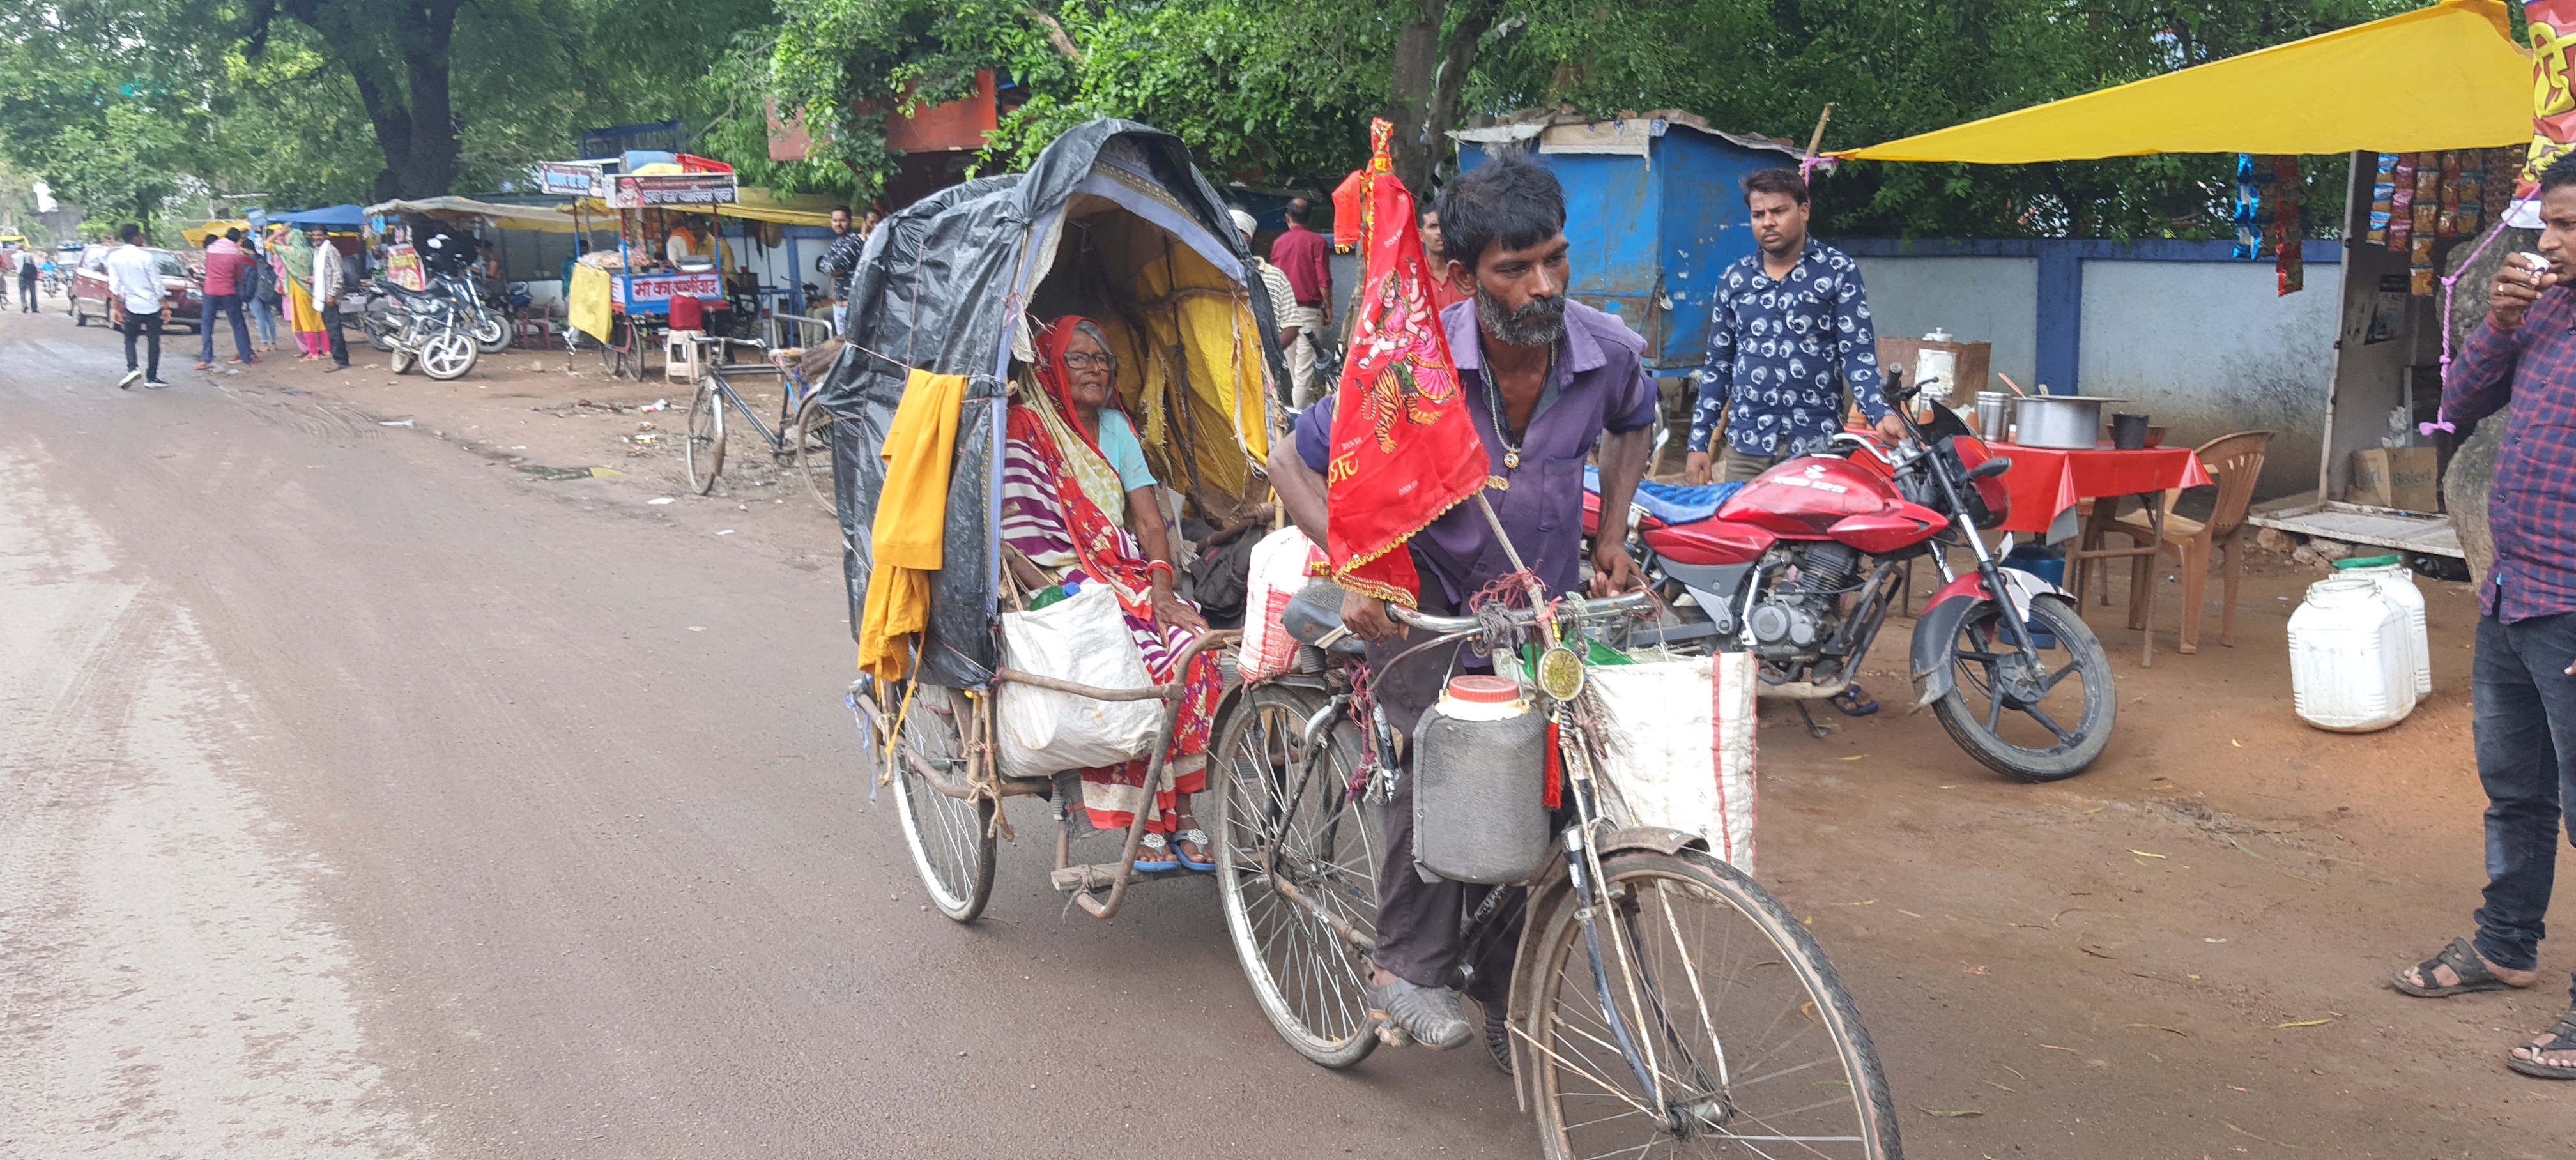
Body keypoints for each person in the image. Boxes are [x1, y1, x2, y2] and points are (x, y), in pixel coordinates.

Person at [1268, 151, 1655, 1068]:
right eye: (1515, 270)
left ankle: (1503, 968)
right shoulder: (1411, 365)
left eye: (1555, 259)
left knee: (1554, 783)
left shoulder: (1607, 356)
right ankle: (1405, 966)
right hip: (1422, 607)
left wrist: (1615, 532)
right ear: (1464, 275)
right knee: (1443, 756)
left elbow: (1635, 423)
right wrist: (1360, 568)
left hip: (1537, 605)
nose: (1544, 284)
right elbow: (1293, 460)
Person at [2389, 151, 2576, 1082]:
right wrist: (2499, 325)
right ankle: (2506, 943)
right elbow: (2458, 410)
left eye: (2569, 227)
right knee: (2515, 786)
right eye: (2549, 224)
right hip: (2513, 587)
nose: (2548, 244)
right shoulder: (2542, 310)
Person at [1002, 316, 1223, 869]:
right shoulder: (1023, 429)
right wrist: (1063, 593)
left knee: (1189, 646)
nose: (1095, 368)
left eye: (1102, 358)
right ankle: (1141, 818)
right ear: (1052, 365)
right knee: (1122, 656)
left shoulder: (1118, 430)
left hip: (1121, 572)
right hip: (1056, 580)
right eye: (1078, 357)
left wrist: (1163, 590)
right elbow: (1015, 535)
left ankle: (1186, 811)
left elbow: (1150, 524)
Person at [1686, 168, 1903, 486]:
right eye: (1758, 214)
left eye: (1778, 211)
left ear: (1804, 211)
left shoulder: (1838, 272)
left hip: (1816, 446)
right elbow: (1718, 366)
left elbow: (1856, 354)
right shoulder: (1734, 280)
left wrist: (1879, 412)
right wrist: (1698, 443)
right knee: (1747, 534)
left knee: (1814, 535)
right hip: (1748, 447)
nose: (1767, 222)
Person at [1270, 196, 1333, 406]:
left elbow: (1274, 280)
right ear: (1310, 219)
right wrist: (1329, 307)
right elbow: (1323, 279)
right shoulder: (1317, 242)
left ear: (1288, 218)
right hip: (1308, 312)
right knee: (1304, 374)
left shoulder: (1278, 243)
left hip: (1284, 315)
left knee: (1297, 370)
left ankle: (1302, 421)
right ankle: (1300, 423)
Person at [1230, 208, 1303, 377]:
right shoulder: (1209, 275)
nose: (1236, 236)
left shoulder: (1274, 276)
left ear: (1250, 238)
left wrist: (1264, 353)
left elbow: (1292, 325)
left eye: (1242, 232)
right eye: (1230, 231)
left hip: (1263, 369)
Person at [105, 223, 172, 389]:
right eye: (140, 235)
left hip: (132, 306)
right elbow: (156, 284)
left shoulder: (114, 258)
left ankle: (133, 368)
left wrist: (115, 308)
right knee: (154, 341)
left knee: (129, 339)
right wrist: (165, 306)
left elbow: (114, 286)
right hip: (151, 306)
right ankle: (151, 378)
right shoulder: (146, 257)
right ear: (135, 237)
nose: (142, 237)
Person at [195, 228, 258, 369]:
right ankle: (246, 357)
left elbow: (207, 268)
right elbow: (239, 277)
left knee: (207, 324)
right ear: (238, 241)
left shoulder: (211, 249)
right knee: (237, 324)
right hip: (228, 292)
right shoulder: (236, 254)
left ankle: (206, 359)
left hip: (210, 291)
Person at [272, 225, 330, 360]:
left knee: (305, 322)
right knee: (318, 320)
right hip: (312, 289)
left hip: (298, 289)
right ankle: (326, 350)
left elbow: (267, 243)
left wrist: (278, 234)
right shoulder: (311, 251)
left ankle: (313, 353)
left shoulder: (289, 250)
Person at [309, 225, 351, 371]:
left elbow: (338, 274)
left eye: (319, 235)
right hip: (323, 295)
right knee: (331, 329)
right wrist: (314, 279)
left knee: (334, 330)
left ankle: (340, 360)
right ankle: (341, 359)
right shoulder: (318, 251)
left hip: (329, 297)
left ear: (326, 236)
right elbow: (326, 274)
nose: (316, 238)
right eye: (314, 235)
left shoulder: (331, 251)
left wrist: (332, 294)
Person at [822, 204, 868, 335]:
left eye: (842, 220)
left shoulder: (856, 242)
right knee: (841, 343)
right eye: (835, 221)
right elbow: (823, 266)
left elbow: (834, 266)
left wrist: (832, 268)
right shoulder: (836, 244)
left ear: (850, 222)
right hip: (839, 304)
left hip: (854, 304)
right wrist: (832, 269)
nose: (838, 224)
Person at [1417, 206, 1471, 313]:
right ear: (1421, 235)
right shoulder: (1413, 276)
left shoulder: (1468, 273)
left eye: (1445, 226)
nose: (1440, 232)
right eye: (1433, 226)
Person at [16, 247, 38, 312]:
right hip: (30, 277)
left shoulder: (14, 256)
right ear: (23, 248)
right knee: (33, 293)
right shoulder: (28, 255)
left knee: (22, 292)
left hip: (21, 276)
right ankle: (34, 308)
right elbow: (32, 265)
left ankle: (24, 305)